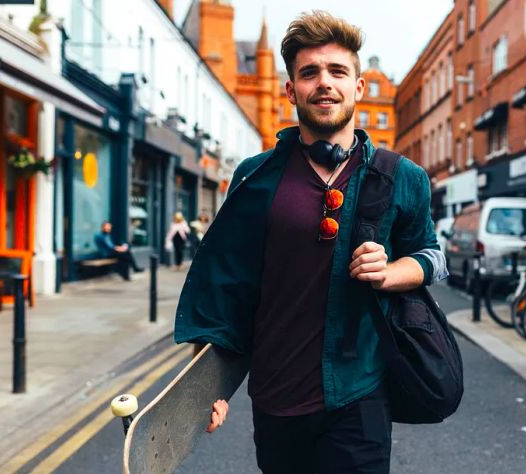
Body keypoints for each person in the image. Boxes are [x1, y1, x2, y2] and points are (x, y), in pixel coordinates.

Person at [174, 11, 447, 474]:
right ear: (291, 90)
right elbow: (225, 287)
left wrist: (391, 272)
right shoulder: (255, 177)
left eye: (338, 71)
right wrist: (206, 387)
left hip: (360, 394)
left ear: (357, 88)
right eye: (309, 73)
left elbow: (433, 257)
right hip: (277, 397)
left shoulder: (402, 176)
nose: (324, 83)